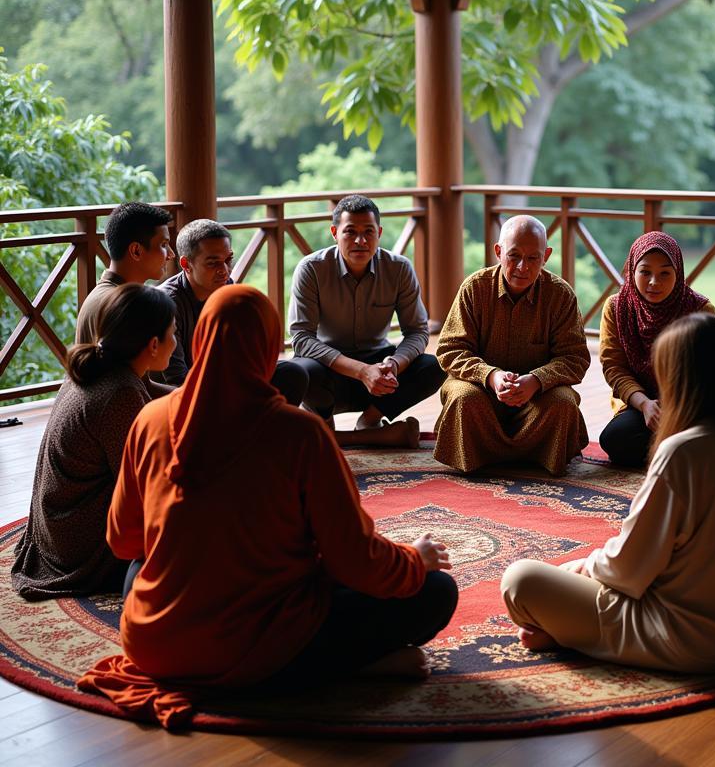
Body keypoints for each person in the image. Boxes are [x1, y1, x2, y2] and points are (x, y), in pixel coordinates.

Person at [77, 285, 458, 729]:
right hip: (258, 645)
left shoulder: (151, 418)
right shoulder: (299, 434)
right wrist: (415, 559)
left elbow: (124, 541)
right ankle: (341, 668)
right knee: (435, 593)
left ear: (200, 341)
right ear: (267, 349)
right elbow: (354, 560)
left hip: (155, 642)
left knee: (143, 566)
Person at [501, 314, 715, 671]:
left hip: (688, 639)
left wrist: (583, 566)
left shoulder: (683, 452)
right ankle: (568, 632)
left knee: (521, 579)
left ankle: (569, 634)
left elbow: (627, 571)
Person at [11, 285, 176, 599]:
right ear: (153, 345)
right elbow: (144, 488)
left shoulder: (104, 369)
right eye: (174, 333)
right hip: (79, 545)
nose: (176, 341)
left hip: (58, 527)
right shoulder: (119, 393)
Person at [433, 215, 591, 475]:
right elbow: (450, 349)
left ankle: (538, 457)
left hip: (537, 398)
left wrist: (536, 380)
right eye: (514, 255)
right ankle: (478, 458)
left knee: (563, 402)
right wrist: (490, 376)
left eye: (533, 258)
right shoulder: (475, 288)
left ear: (546, 256)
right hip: (481, 392)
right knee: (463, 398)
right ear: (498, 251)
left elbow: (575, 358)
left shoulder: (560, 295)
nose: (522, 267)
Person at [289, 195, 444, 448]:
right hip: (330, 372)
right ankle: (330, 426)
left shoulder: (399, 268)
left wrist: (394, 364)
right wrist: (361, 371)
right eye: (350, 232)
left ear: (379, 233)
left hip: (381, 374)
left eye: (368, 232)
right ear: (334, 233)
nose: (360, 241)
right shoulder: (312, 269)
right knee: (301, 371)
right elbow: (302, 339)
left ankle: (367, 423)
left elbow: (417, 331)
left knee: (432, 367)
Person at [155, 218, 308, 406]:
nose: (224, 271)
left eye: (228, 260)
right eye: (213, 263)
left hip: (222, 381)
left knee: (292, 374)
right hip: (187, 392)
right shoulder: (167, 303)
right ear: (186, 264)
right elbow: (177, 377)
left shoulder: (227, 287)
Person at [599, 231, 715, 467]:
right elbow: (614, 367)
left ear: (679, 273)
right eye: (645, 272)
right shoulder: (616, 308)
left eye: (665, 273)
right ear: (632, 270)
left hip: (689, 404)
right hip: (640, 402)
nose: (654, 282)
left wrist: (676, 407)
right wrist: (645, 404)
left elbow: (712, 373)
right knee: (615, 440)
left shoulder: (700, 310)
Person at [75, 202, 173, 343]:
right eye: (163, 245)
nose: (171, 254)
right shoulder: (125, 306)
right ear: (136, 251)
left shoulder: (106, 295)